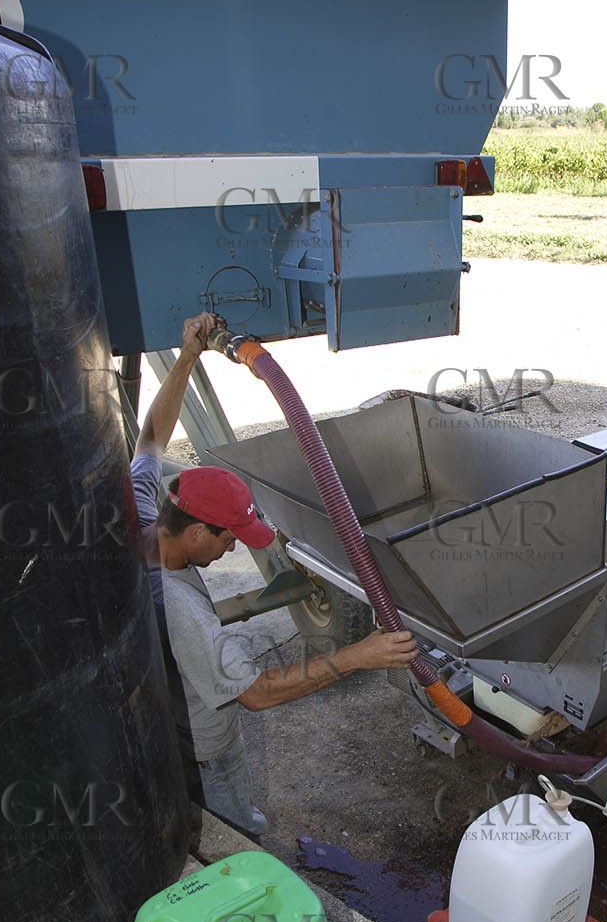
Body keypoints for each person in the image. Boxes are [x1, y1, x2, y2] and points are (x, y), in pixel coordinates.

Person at [130, 314, 416, 838]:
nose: (235, 544)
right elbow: (256, 694)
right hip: (201, 751)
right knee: (232, 833)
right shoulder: (182, 610)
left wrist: (188, 355)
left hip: (178, 719)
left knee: (239, 801)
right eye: (227, 536)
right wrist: (359, 656)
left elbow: (151, 440)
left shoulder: (145, 510)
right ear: (195, 532)